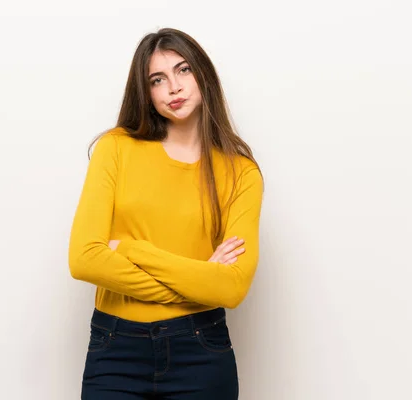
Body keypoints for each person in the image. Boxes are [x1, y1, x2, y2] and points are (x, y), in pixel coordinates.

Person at [68, 27, 264, 400]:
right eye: (157, 80)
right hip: (116, 352)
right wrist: (199, 280)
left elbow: (231, 286)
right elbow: (84, 259)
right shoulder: (115, 149)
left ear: (204, 74)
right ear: (147, 93)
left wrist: (129, 250)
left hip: (201, 353)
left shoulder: (242, 174)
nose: (173, 88)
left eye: (183, 70)